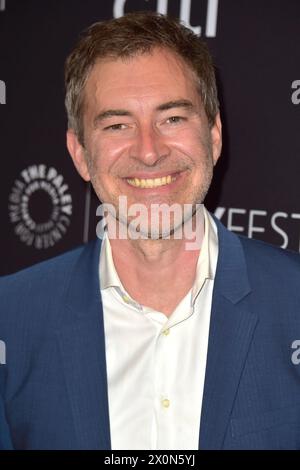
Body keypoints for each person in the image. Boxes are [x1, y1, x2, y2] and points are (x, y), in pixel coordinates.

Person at [1, 11, 300, 450]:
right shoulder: (12, 317)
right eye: (117, 124)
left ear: (214, 136)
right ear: (80, 153)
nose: (148, 151)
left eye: (172, 118)